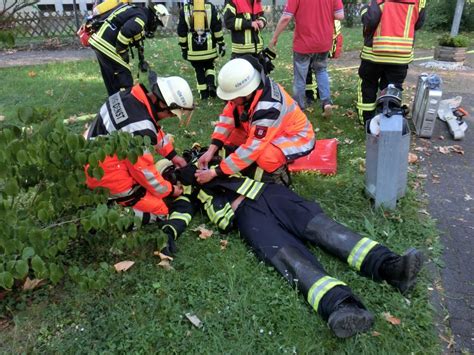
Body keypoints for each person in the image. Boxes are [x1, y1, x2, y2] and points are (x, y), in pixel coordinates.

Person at [160, 150, 425, 338]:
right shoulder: (188, 195)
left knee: (324, 229)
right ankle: (341, 306)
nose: (175, 176)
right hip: (247, 217)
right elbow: (181, 214)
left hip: (269, 194)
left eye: (175, 169)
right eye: (170, 176)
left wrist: (209, 164)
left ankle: (391, 267)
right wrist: (169, 233)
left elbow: (247, 151)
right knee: (290, 259)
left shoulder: (213, 158)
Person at [84, 74, 195, 251]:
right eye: (170, 114)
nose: (169, 117)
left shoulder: (130, 96)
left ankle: (107, 200)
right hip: (105, 175)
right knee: (159, 209)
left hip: (92, 157)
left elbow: (153, 129)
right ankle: (109, 218)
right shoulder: (139, 129)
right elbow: (146, 174)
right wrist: (171, 190)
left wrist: (173, 156)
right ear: (163, 104)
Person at [195, 56, 315, 186]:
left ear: (245, 92)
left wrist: (215, 172)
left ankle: (280, 179)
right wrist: (211, 150)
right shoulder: (249, 90)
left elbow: (252, 149)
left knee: (264, 157)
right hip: (275, 129)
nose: (230, 100)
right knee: (232, 138)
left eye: (232, 97)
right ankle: (243, 165)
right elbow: (226, 119)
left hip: (296, 137)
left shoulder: (268, 108)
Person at [356, 0, 426, 125]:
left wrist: (363, 9)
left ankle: (367, 121)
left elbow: (371, 20)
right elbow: (419, 23)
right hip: (401, 55)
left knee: (368, 86)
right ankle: (388, 121)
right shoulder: (419, 1)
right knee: (392, 88)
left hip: (374, 54)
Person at [270, 0, 344, 116]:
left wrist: (275, 37)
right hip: (323, 41)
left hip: (303, 43)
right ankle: (326, 102)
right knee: (321, 71)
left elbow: (286, 17)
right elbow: (340, 15)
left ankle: (299, 108)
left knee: (300, 77)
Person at [89, 3, 170, 96]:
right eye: (157, 24)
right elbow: (126, 32)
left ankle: (113, 101)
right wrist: (122, 52)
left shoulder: (139, 11)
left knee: (110, 78)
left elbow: (133, 35)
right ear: (155, 18)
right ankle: (127, 102)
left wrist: (141, 59)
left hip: (98, 40)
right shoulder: (141, 18)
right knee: (125, 78)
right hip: (106, 43)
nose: (155, 27)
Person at [177, 0, 226, 100]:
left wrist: (184, 48)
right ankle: (211, 84)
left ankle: (203, 93)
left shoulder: (185, 9)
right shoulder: (210, 6)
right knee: (210, 66)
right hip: (208, 46)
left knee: (198, 69)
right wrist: (221, 43)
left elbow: (181, 30)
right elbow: (217, 26)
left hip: (193, 48)